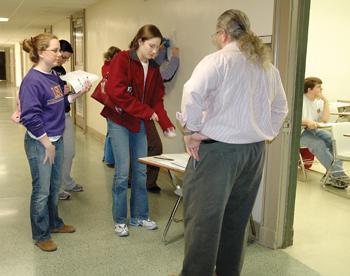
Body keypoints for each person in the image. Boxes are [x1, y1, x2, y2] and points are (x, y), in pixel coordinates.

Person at [176, 9, 288, 275]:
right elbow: (281, 108)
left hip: (219, 154)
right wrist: (264, 132)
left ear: (223, 34)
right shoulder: (266, 67)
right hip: (254, 153)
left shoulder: (218, 61)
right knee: (236, 221)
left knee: (203, 222)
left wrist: (191, 130)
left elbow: (192, 93)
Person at [101, 24, 176, 237]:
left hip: (138, 123)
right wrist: (145, 111)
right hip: (119, 120)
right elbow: (117, 92)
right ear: (140, 41)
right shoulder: (122, 59)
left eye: (158, 48)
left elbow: (156, 99)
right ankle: (120, 220)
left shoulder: (153, 68)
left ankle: (140, 216)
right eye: (151, 46)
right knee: (123, 171)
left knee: (141, 170)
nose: (154, 51)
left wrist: (165, 122)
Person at [19, 33, 77, 252]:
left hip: (56, 138)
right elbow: (29, 117)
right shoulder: (32, 81)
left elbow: (60, 99)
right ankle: (40, 235)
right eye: (55, 50)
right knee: (41, 190)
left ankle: (54, 223)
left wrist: (74, 93)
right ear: (42, 53)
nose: (59, 54)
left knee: (54, 187)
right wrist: (47, 143)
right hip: (40, 143)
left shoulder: (53, 75)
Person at [52, 39, 90, 200]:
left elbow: (63, 95)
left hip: (65, 114)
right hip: (52, 118)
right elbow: (52, 96)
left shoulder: (61, 70)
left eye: (66, 59)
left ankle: (66, 181)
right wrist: (64, 90)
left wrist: (75, 89)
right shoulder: (45, 71)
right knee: (55, 155)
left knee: (69, 152)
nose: (63, 60)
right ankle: (56, 188)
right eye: (62, 56)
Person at [300, 77, 350, 188]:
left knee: (334, 141)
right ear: (309, 89)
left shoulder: (318, 102)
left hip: (314, 130)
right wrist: (307, 121)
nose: (321, 89)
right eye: (318, 87)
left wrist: (326, 101)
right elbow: (294, 118)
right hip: (300, 133)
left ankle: (333, 174)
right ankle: (337, 175)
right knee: (318, 144)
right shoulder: (300, 100)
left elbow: (325, 119)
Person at [146, 42, 180, 193]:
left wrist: (167, 126)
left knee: (151, 147)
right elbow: (166, 72)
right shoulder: (151, 70)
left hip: (145, 114)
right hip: (136, 115)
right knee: (153, 147)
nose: (155, 52)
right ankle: (146, 182)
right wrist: (176, 57)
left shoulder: (153, 70)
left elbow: (158, 106)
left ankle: (147, 182)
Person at [101, 46, 121, 168]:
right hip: (111, 105)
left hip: (110, 104)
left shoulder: (106, 67)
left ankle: (107, 157)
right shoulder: (109, 68)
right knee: (111, 133)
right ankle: (110, 159)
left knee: (110, 132)